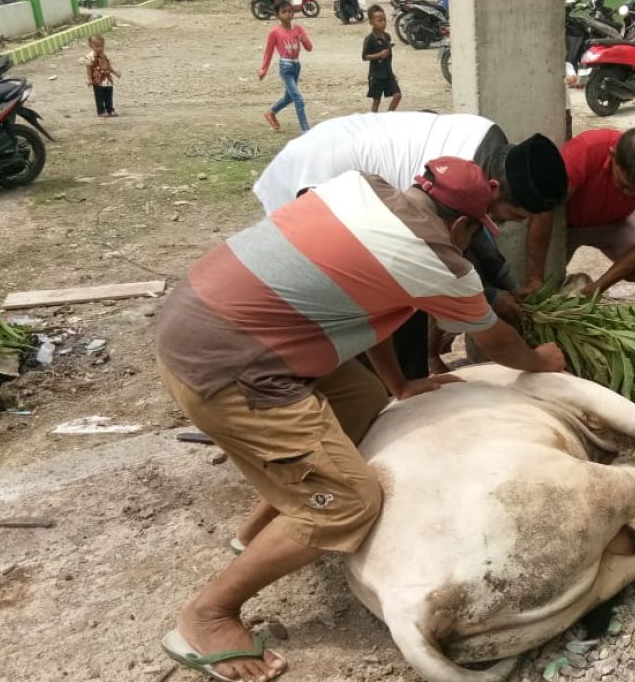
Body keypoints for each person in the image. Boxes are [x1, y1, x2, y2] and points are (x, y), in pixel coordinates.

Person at [157, 158, 565, 682]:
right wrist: (540, 362)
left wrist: (398, 387)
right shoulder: (436, 259)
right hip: (227, 367)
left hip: (197, 318)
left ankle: (259, 528)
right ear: (463, 226)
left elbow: (374, 313)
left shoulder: (365, 191)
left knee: (360, 400)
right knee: (350, 504)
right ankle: (207, 616)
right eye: (481, 230)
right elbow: (495, 339)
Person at [252, 111, 569, 378]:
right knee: (370, 305)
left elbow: (473, 235)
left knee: (397, 302)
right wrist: (493, 301)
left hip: (340, 150)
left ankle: (394, 386)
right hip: (317, 176)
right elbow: (450, 261)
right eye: (513, 216)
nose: (505, 224)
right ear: (494, 188)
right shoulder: (459, 176)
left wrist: (505, 288)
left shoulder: (489, 152)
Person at [523, 128, 635, 313]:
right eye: (624, 185)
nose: (630, 194)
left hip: (614, 223)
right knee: (543, 286)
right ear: (612, 155)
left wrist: (599, 286)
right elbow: (543, 211)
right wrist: (535, 278)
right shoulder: (585, 150)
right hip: (564, 223)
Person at [259, 0, 313, 133]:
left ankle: (271, 112)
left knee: (289, 97)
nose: (288, 14)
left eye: (290, 11)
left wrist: (303, 39)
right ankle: (305, 130)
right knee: (298, 99)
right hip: (285, 67)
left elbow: (309, 48)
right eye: (284, 12)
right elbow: (269, 52)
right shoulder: (275, 32)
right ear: (277, 15)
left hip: (296, 65)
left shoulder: (298, 29)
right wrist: (264, 69)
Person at [363, 5, 401, 112]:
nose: (383, 23)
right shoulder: (370, 39)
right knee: (377, 100)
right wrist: (378, 55)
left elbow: (388, 57)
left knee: (397, 95)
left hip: (387, 73)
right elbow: (365, 56)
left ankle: (389, 115)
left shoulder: (387, 36)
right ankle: (373, 119)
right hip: (376, 75)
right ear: (371, 22)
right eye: (379, 21)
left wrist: (392, 72)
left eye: (384, 20)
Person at [82, 35, 120, 117]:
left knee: (108, 95)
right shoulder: (89, 57)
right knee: (99, 96)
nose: (100, 48)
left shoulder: (105, 55)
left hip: (107, 79)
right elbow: (88, 69)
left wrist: (115, 72)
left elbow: (108, 66)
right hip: (98, 81)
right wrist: (89, 79)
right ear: (91, 46)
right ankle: (101, 111)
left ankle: (110, 109)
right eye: (97, 46)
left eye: (101, 46)